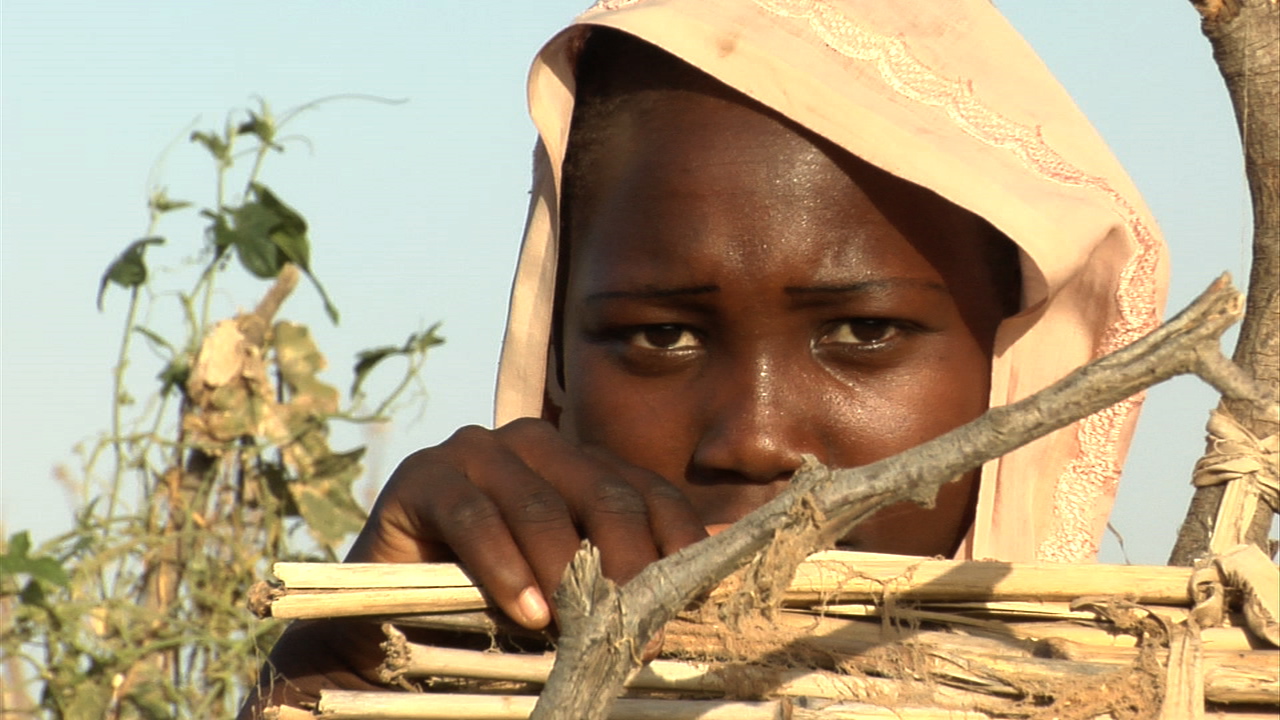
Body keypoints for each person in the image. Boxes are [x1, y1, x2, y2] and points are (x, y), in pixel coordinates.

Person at [240, 0, 1168, 714]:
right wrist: (333, 666)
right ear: (558, 367)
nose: (756, 441)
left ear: (1018, 366)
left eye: (862, 333)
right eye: (660, 337)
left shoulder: (1193, 692)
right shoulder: (439, 683)